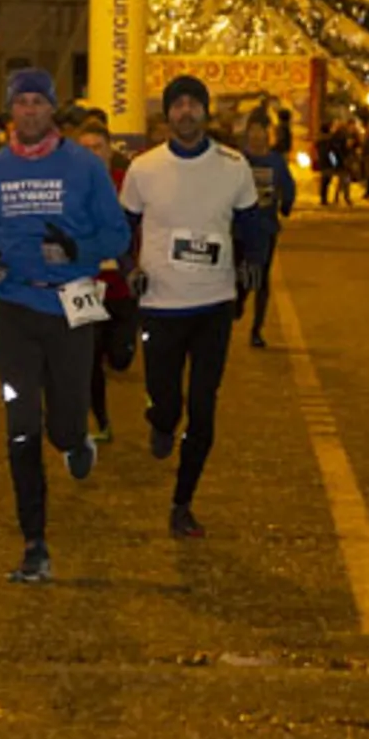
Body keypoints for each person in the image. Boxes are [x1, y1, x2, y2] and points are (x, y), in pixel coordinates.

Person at [0, 67, 129, 584]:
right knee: (21, 426)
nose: (30, 110)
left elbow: (118, 236)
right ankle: (34, 542)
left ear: (52, 109)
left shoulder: (85, 167)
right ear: (11, 110)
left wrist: (79, 250)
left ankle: (76, 441)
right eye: (21, 102)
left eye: (38, 101)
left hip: (74, 301)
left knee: (64, 423)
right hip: (13, 307)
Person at [123, 73, 261, 536]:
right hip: (160, 305)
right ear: (167, 114)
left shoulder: (233, 166)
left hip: (213, 305)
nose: (186, 112)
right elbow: (124, 227)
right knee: (167, 403)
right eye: (178, 105)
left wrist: (250, 267)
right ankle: (161, 421)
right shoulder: (144, 169)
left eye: (193, 104)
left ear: (205, 111)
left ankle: (182, 502)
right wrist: (128, 268)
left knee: (203, 408)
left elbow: (250, 226)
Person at [73, 117, 137, 442]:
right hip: (82, 284)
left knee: (120, 357)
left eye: (97, 147)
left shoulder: (128, 183)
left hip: (122, 285)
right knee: (88, 358)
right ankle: (100, 421)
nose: (92, 154)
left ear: (110, 150)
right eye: (85, 148)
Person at [236, 106, 296, 347]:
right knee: (241, 275)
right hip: (239, 228)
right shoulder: (239, 160)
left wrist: (286, 205)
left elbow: (288, 185)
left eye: (261, 130)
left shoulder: (275, 161)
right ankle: (239, 299)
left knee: (261, 278)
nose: (256, 135)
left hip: (265, 228)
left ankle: (257, 329)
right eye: (252, 130)